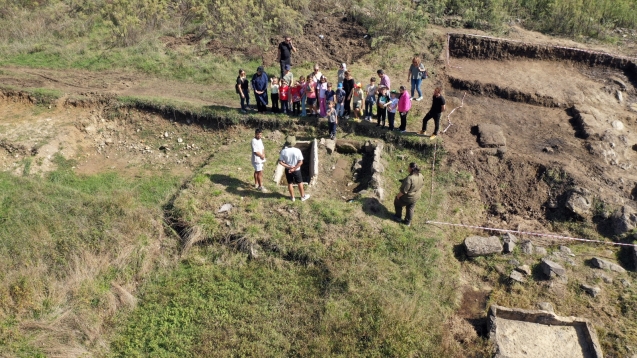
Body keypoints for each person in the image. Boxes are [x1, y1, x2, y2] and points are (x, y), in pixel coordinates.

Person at [278, 137, 310, 202]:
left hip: (288, 170)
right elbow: (301, 162)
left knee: (290, 183)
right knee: (299, 183)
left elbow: (280, 162)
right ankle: (302, 196)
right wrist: (294, 168)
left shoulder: (283, 151)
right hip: (296, 170)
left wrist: (289, 167)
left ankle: (292, 198)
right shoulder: (297, 150)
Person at [393, 162, 424, 226]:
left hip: (408, 198)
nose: (407, 168)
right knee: (410, 208)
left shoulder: (409, 178)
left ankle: (398, 217)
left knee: (397, 203)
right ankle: (407, 222)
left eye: (408, 167)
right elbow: (421, 184)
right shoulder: (420, 175)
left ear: (411, 168)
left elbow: (404, 191)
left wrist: (398, 196)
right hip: (416, 196)